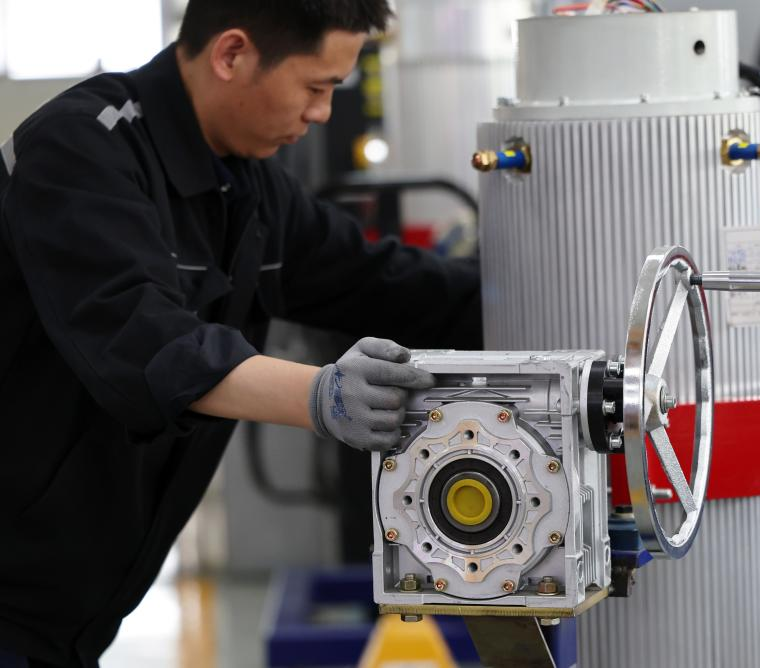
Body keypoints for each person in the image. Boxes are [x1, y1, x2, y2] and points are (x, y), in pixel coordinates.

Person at [0, 1, 481, 666]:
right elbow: (146, 343)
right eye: (315, 87)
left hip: (71, 611)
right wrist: (322, 396)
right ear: (231, 54)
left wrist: (543, 302)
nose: (322, 114)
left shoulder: (251, 189)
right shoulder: (80, 149)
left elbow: (388, 282)